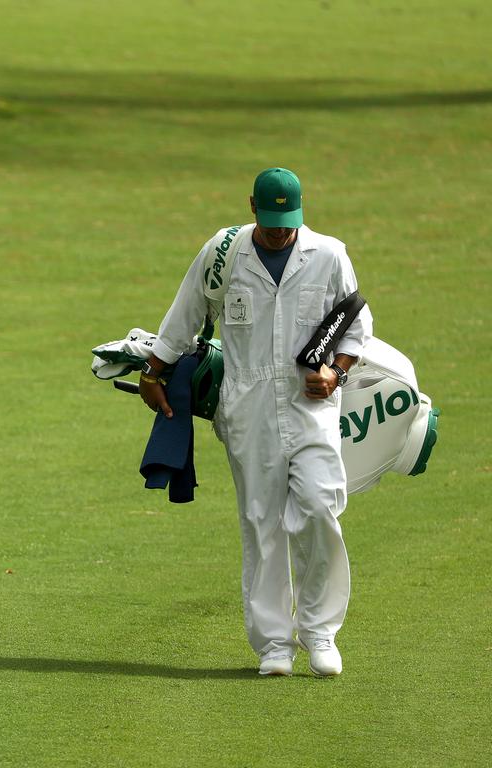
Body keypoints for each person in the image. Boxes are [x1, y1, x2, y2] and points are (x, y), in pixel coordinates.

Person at [139, 168, 372, 676]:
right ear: (252, 208)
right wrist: (154, 370)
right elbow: (186, 312)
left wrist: (335, 373)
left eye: (288, 224)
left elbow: (356, 327)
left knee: (317, 507)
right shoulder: (224, 254)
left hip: (311, 407)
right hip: (247, 405)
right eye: (272, 224)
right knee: (261, 521)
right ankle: (274, 646)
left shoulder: (329, 254)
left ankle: (320, 632)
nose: (280, 233)